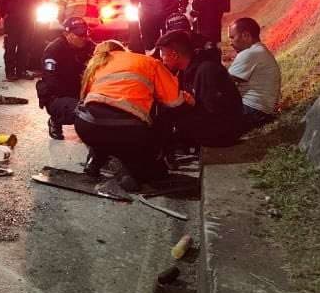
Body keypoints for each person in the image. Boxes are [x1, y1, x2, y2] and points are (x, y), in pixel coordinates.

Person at [73, 40, 191, 190]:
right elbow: (174, 101)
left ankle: (97, 159)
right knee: (157, 174)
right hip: (129, 131)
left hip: (87, 126)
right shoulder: (148, 62)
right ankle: (122, 167)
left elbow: (85, 99)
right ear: (124, 50)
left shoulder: (97, 64)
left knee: (103, 126)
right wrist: (189, 99)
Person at [155, 30, 243, 148]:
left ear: (175, 55)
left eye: (163, 56)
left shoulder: (207, 70)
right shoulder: (185, 72)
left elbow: (216, 113)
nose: (162, 61)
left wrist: (192, 105)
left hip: (223, 134)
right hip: (210, 126)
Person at [37, 16, 95, 139]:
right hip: (59, 94)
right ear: (67, 34)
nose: (84, 37)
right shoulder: (53, 50)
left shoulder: (90, 46)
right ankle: (55, 120)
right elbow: (51, 80)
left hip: (80, 90)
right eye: (80, 34)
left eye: (86, 33)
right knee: (81, 111)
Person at [228, 17, 281, 132]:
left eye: (232, 37)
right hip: (262, 111)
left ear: (246, 35)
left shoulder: (249, 53)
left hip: (253, 111)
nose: (230, 42)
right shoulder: (259, 50)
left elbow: (222, 82)